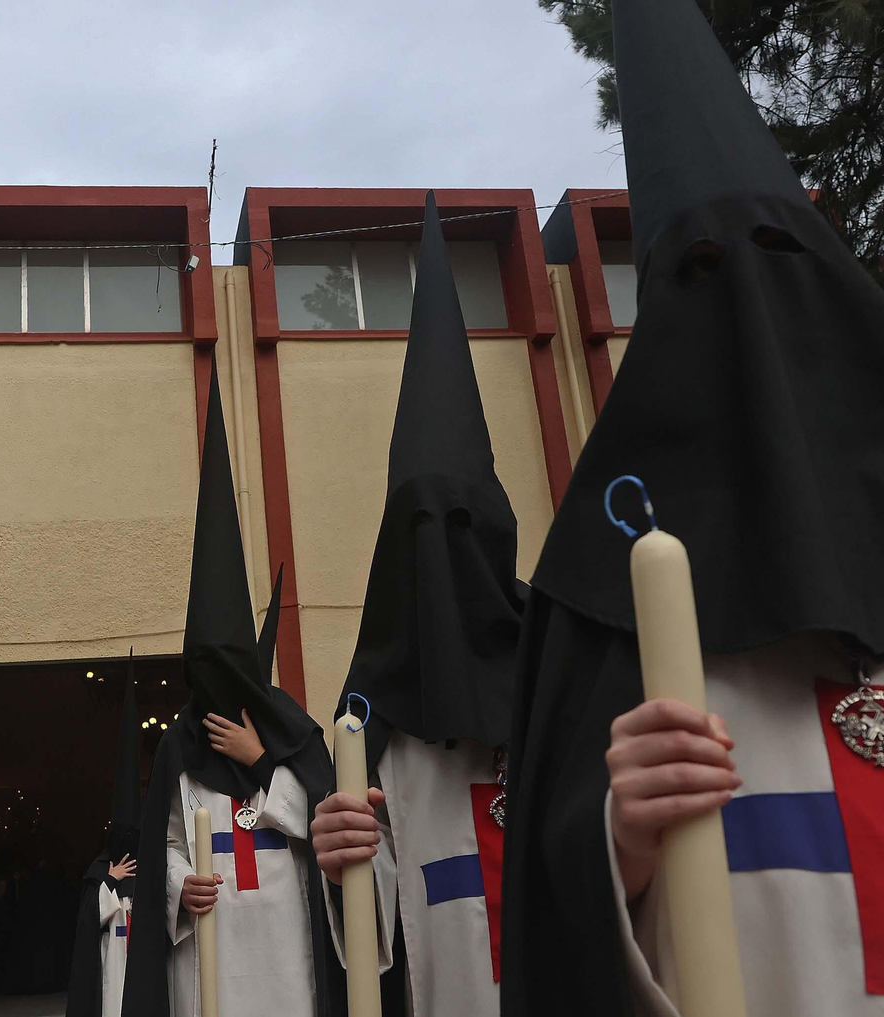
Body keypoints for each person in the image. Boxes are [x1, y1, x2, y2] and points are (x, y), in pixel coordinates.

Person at [500, 0, 884, 1014]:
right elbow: (554, 927)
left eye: (780, 260)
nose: (752, 335)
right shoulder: (605, 622)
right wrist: (615, 842)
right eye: (699, 281)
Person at [309, 192, 524, 1017]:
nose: (444, 556)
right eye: (421, 529)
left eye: (462, 523)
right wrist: (343, 863)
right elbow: (376, 929)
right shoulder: (374, 728)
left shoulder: (567, 672)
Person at [121, 362, 343, 1017]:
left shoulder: (289, 732)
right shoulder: (178, 749)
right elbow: (160, 843)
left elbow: (323, 823)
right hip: (210, 954)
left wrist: (263, 760)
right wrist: (177, 890)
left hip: (286, 951)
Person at [67, 658, 143, 1017]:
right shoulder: (98, 872)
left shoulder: (153, 866)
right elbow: (86, 924)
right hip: (110, 964)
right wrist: (109, 883)